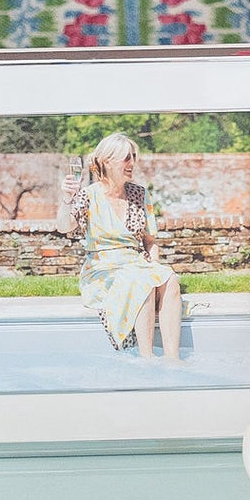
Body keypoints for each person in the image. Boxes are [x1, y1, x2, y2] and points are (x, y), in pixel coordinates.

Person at [64, 132, 183, 362]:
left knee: (170, 279)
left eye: (133, 157)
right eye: (126, 158)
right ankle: (147, 358)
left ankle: (172, 359)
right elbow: (64, 227)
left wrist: (155, 269)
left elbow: (151, 242)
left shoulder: (140, 194)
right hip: (102, 269)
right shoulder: (88, 195)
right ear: (107, 161)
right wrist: (67, 198)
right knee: (142, 282)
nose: (132, 163)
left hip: (135, 263)